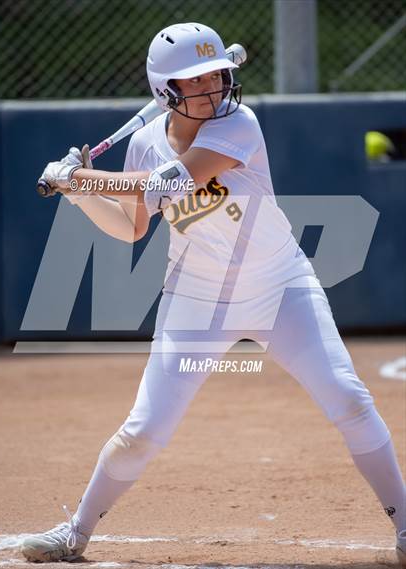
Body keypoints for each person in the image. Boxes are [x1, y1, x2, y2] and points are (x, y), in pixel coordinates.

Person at [21, 23, 406, 565]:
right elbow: (132, 227)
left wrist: (85, 178)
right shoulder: (144, 143)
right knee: (143, 431)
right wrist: (75, 192)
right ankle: (76, 533)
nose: (212, 91)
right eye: (195, 83)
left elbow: (171, 183)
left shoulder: (239, 123)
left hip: (280, 284)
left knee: (349, 398)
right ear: (165, 91)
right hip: (195, 298)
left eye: (217, 78)